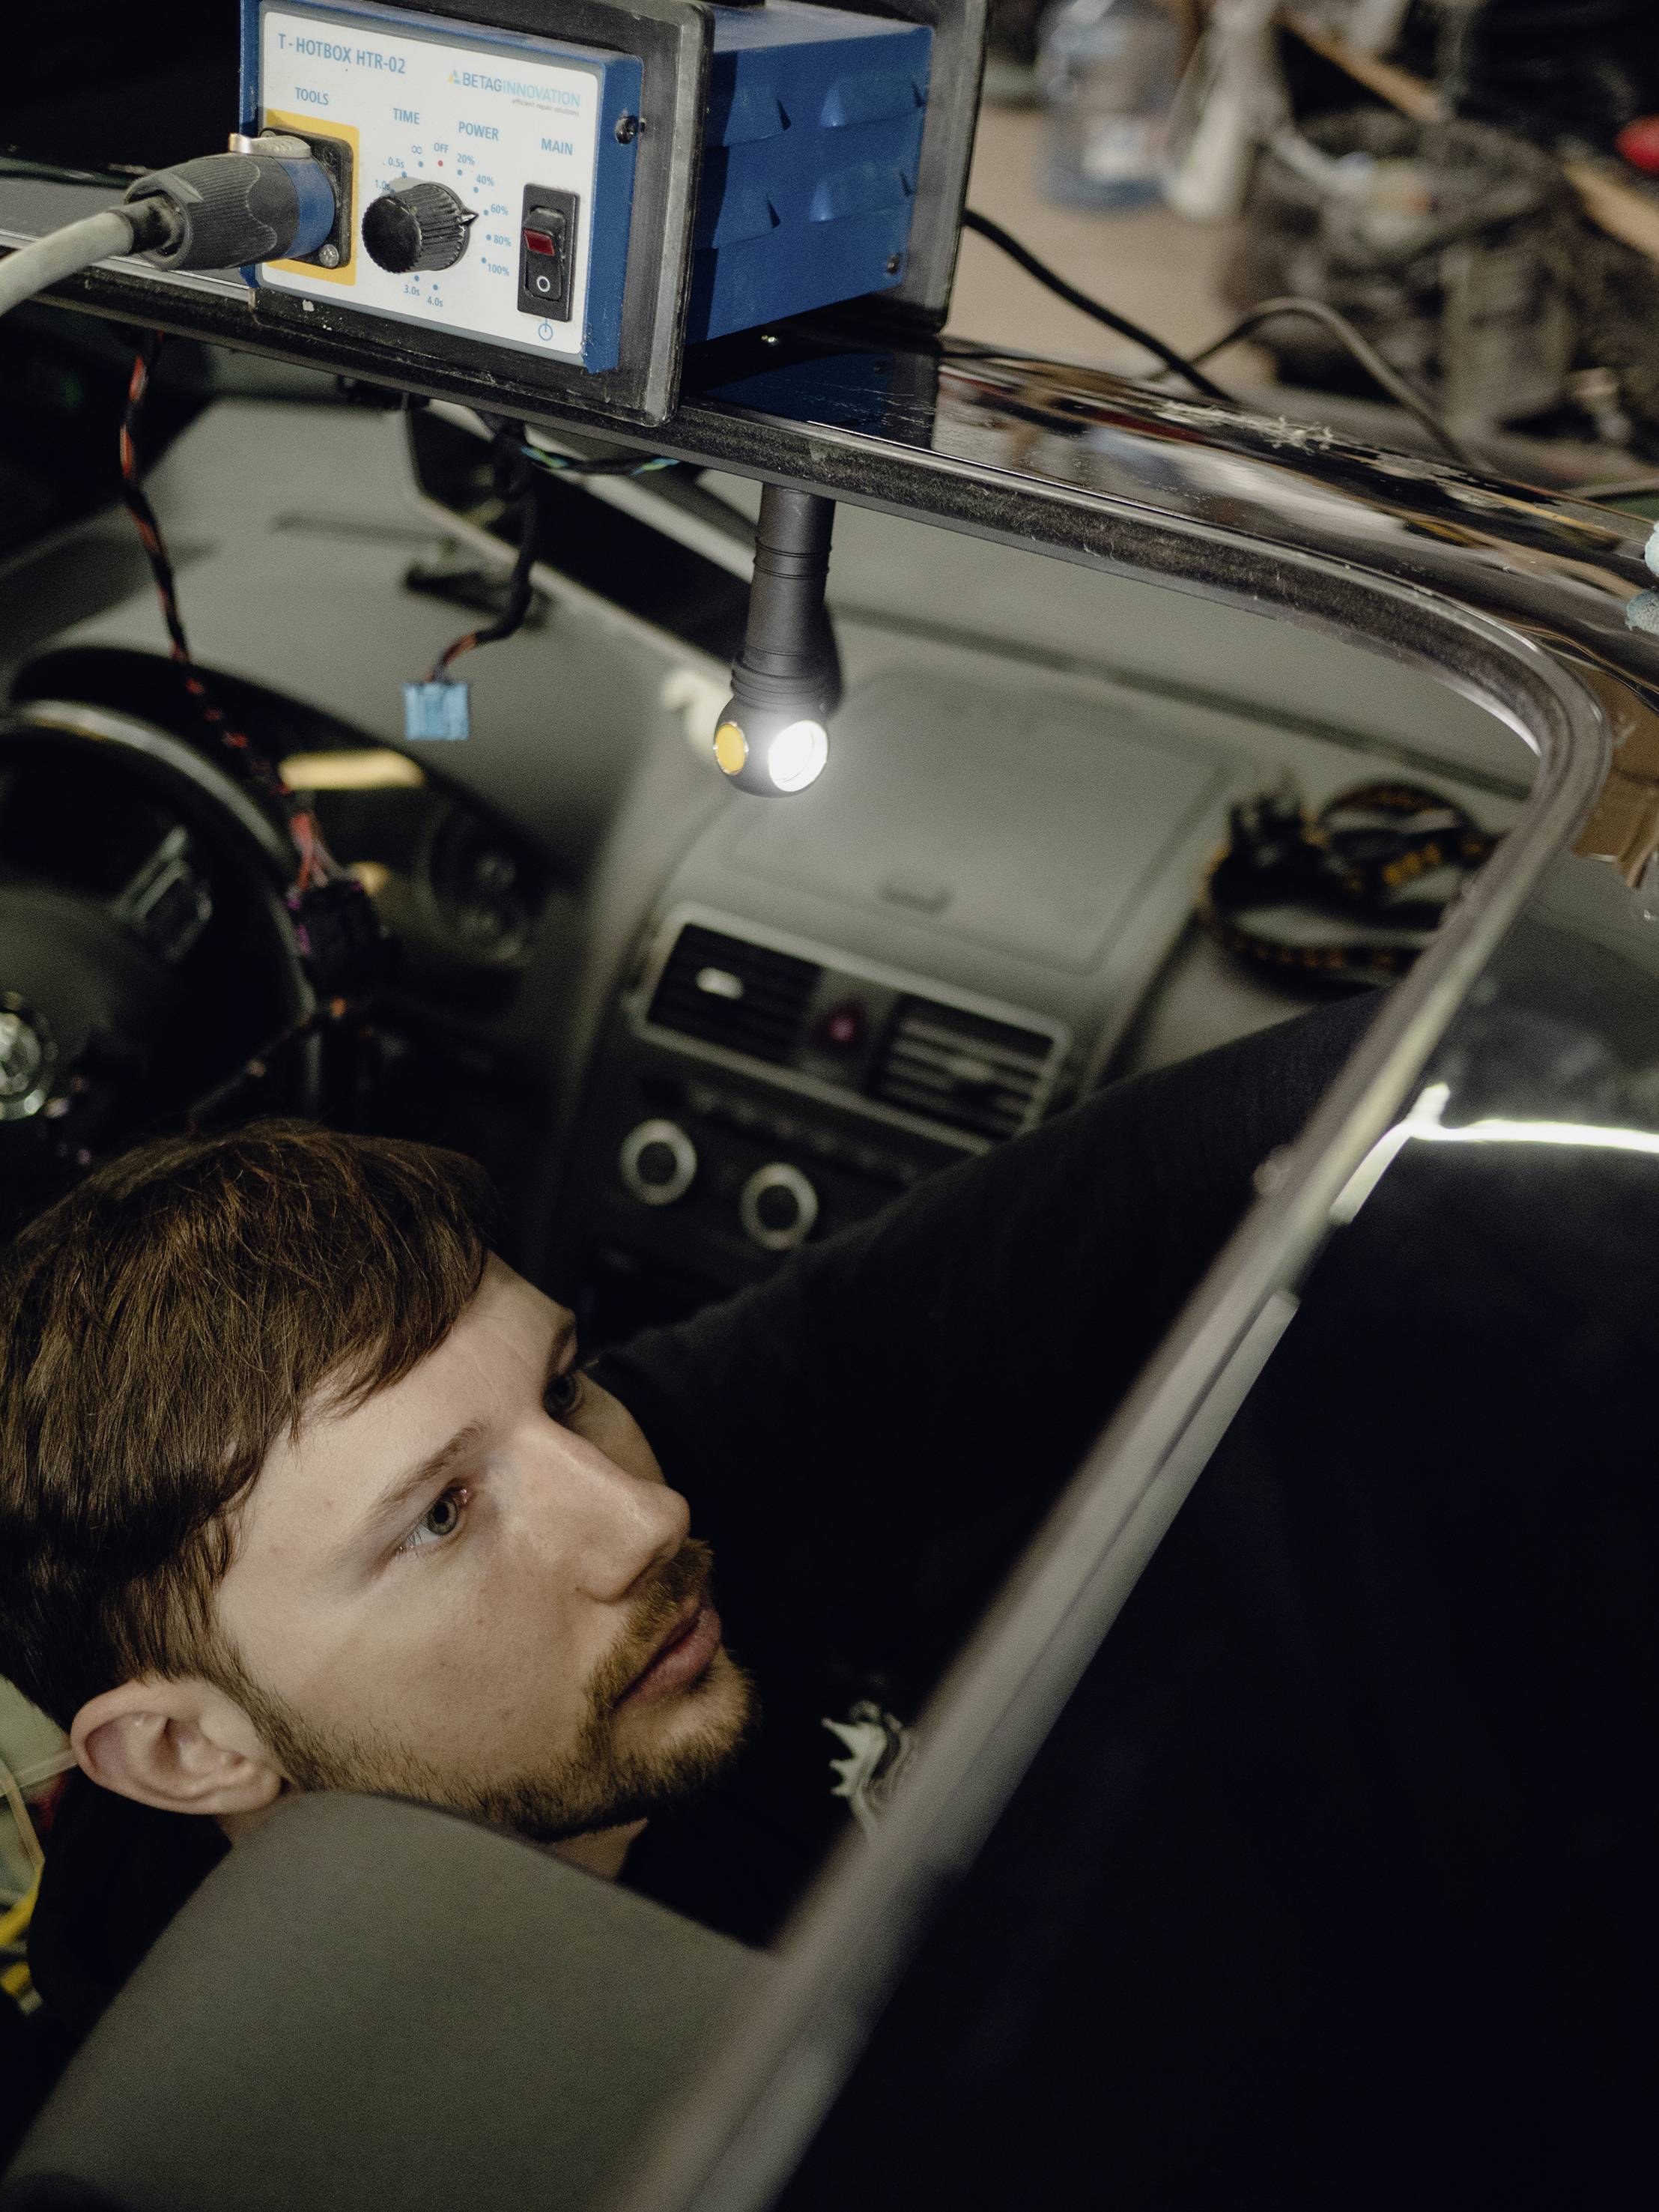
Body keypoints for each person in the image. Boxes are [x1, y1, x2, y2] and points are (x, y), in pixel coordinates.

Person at [0, 992, 1378, 2048]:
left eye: (563, 1382)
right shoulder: (306, 2131)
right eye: (439, 1516)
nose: (646, 1517)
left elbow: (1142, 1191)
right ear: (186, 1748)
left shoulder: (636, 1459)